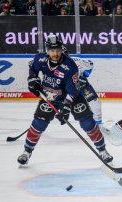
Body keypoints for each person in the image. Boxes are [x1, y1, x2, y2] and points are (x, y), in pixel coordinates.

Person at [17, 35, 113, 165]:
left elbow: (72, 90)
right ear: (47, 50)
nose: (55, 53)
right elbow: (33, 69)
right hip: (51, 96)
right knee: (39, 122)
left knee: (87, 122)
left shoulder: (70, 66)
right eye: (52, 50)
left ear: (61, 49)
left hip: (72, 97)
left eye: (57, 50)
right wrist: (33, 80)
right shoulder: (40, 59)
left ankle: (102, 150)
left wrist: (66, 107)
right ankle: (27, 152)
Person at [71, 57, 103, 125]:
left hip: (82, 86)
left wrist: (84, 76)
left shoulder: (77, 61)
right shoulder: (53, 65)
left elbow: (90, 63)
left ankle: (98, 124)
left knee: (95, 103)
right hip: (68, 89)